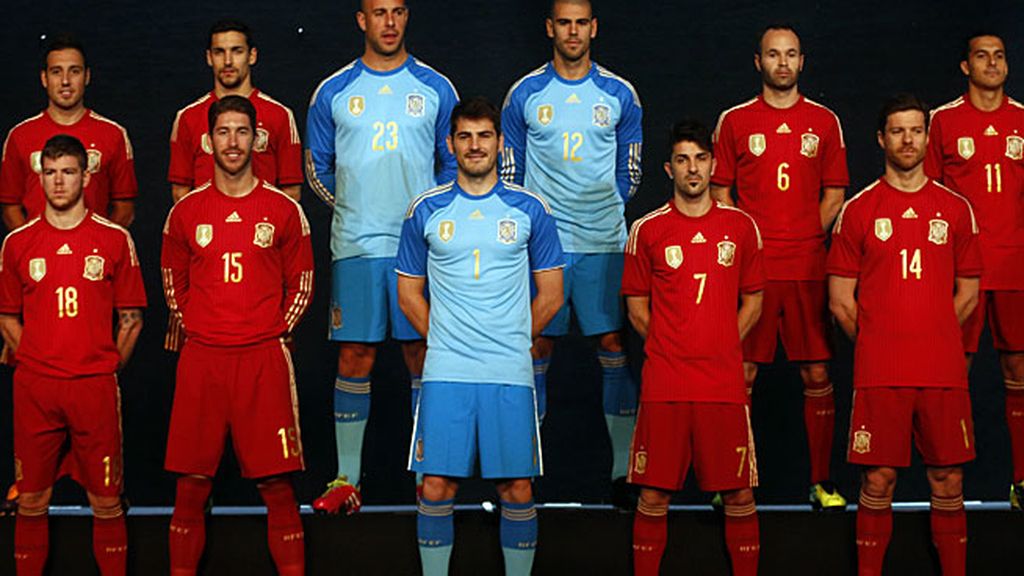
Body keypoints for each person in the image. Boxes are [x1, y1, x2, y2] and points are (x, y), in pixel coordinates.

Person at [397, 97, 564, 576]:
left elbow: (551, 293)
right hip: (447, 370)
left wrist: (510, 338)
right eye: (465, 136)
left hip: (508, 371)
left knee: (517, 488)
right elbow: (408, 293)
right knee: (436, 487)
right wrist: (448, 338)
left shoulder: (530, 207)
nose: (475, 146)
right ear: (450, 145)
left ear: (499, 142)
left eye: (484, 136)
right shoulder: (425, 209)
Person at [306, 0, 458, 514]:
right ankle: (346, 478)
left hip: (419, 250)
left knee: (421, 356)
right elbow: (318, 169)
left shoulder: (436, 88)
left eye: (397, 12)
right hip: (357, 245)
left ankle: (426, 475)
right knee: (355, 357)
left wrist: (427, 223)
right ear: (361, 20)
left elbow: (450, 164)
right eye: (378, 12)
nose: (388, 22)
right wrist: (353, 205)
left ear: (407, 17)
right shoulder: (333, 91)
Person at [828, 94, 981, 576]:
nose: (908, 140)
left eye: (916, 130)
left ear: (927, 137)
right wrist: (880, 341)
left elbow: (970, 293)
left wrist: (931, 333)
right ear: (881, 139)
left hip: (941, 369)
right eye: (897, 131)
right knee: (878, 479)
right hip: (880, 372)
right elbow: (840, 301)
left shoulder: (956, 209)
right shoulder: (857, 211)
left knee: (948, 479)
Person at [161, 96, 313, 576]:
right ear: (208, 141)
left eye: (242, 132)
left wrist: (271, 333)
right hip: (203, 358)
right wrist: (203, 329)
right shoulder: (186, 212)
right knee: (190, 484)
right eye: (223, 132)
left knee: (277, 485)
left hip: (262, 358)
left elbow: (303, 283)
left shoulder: (283, 210)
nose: (232, 141)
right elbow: (173, 282)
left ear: (257, 139)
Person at [500, 0, 642, 504]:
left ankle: (623, 473)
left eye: (582, 22)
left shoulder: (620, 93)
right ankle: (523, 472)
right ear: (550, 28)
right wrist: (534, 231)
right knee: (535, 349)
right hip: (544, 250)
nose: (574, 31)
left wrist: (600, 214)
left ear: (594, 28)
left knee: (611, 346)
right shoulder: (525, 93)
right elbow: (511, 174)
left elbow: (631, 170)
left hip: (603, 244)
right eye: (565, 22)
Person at [710, 24, 848, 510]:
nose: (783, 63)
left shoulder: (825, 121)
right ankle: (735, 481)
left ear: (802, 62)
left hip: (808, 266)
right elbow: (721, 191)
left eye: (791, 54)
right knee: (741, 373)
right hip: (755, 271)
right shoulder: (735, 121)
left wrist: (806, 234)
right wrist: (750, 243)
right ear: (759, 62)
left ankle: (820, 482)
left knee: (816, 373)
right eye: (773, 54)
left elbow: (835, 193)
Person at [0, 134, 146, 575]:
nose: (58, 182)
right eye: (50, 173)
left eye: (67, 172)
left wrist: (103, 366)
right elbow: (7, 317)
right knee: (31, 500)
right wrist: (40, 359)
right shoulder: (18, 243)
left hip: (93, 387)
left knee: (105, 499)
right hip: (36, 388)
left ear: (85, 176)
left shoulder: (114, 240)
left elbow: (132, 318)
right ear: (39, 178)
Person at [625, 120, 764, 576]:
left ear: (714, 164)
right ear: (669, 168)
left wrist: (721, 342)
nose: (692, 169)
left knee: (739, 494)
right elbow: (637, 309)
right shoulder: (648, 230)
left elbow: (754, 300)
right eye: (683, 160)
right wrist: (673, 345)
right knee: (653, 493)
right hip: (665, 382)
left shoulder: (741, 227)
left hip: (722, 383)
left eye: (701, 159)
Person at [925, 32, 1024, 510]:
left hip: (1016, 266)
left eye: (999, 56)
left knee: (1018, 368)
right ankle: (949, 480)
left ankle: (1022, 479)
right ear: (966, 67)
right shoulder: (943, 121)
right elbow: (927, 196)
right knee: (952, 371)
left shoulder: (1023, 120)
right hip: (962, 271)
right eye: (982, 56)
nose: (992, 63)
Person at [0, 35, 137, 231]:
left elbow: (124, 208)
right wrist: (31, 247)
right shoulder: (20, 136)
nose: (65, 81)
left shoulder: (113, 134)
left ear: (87, 76)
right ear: (44, 78)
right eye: (56, 72)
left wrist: (102, 245)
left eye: (74, 71)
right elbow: (10, 207)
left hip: (94, 257)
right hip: (37, 258)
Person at [168, 19, 302, 202]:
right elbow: (180, 193)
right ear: (209, 57)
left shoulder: (279, 115)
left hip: (262, 225)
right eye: (219, 52)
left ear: (252, 56)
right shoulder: (188, 117)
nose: (228, 61)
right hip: (206, 226)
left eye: (237, 51)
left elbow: (291, 192)